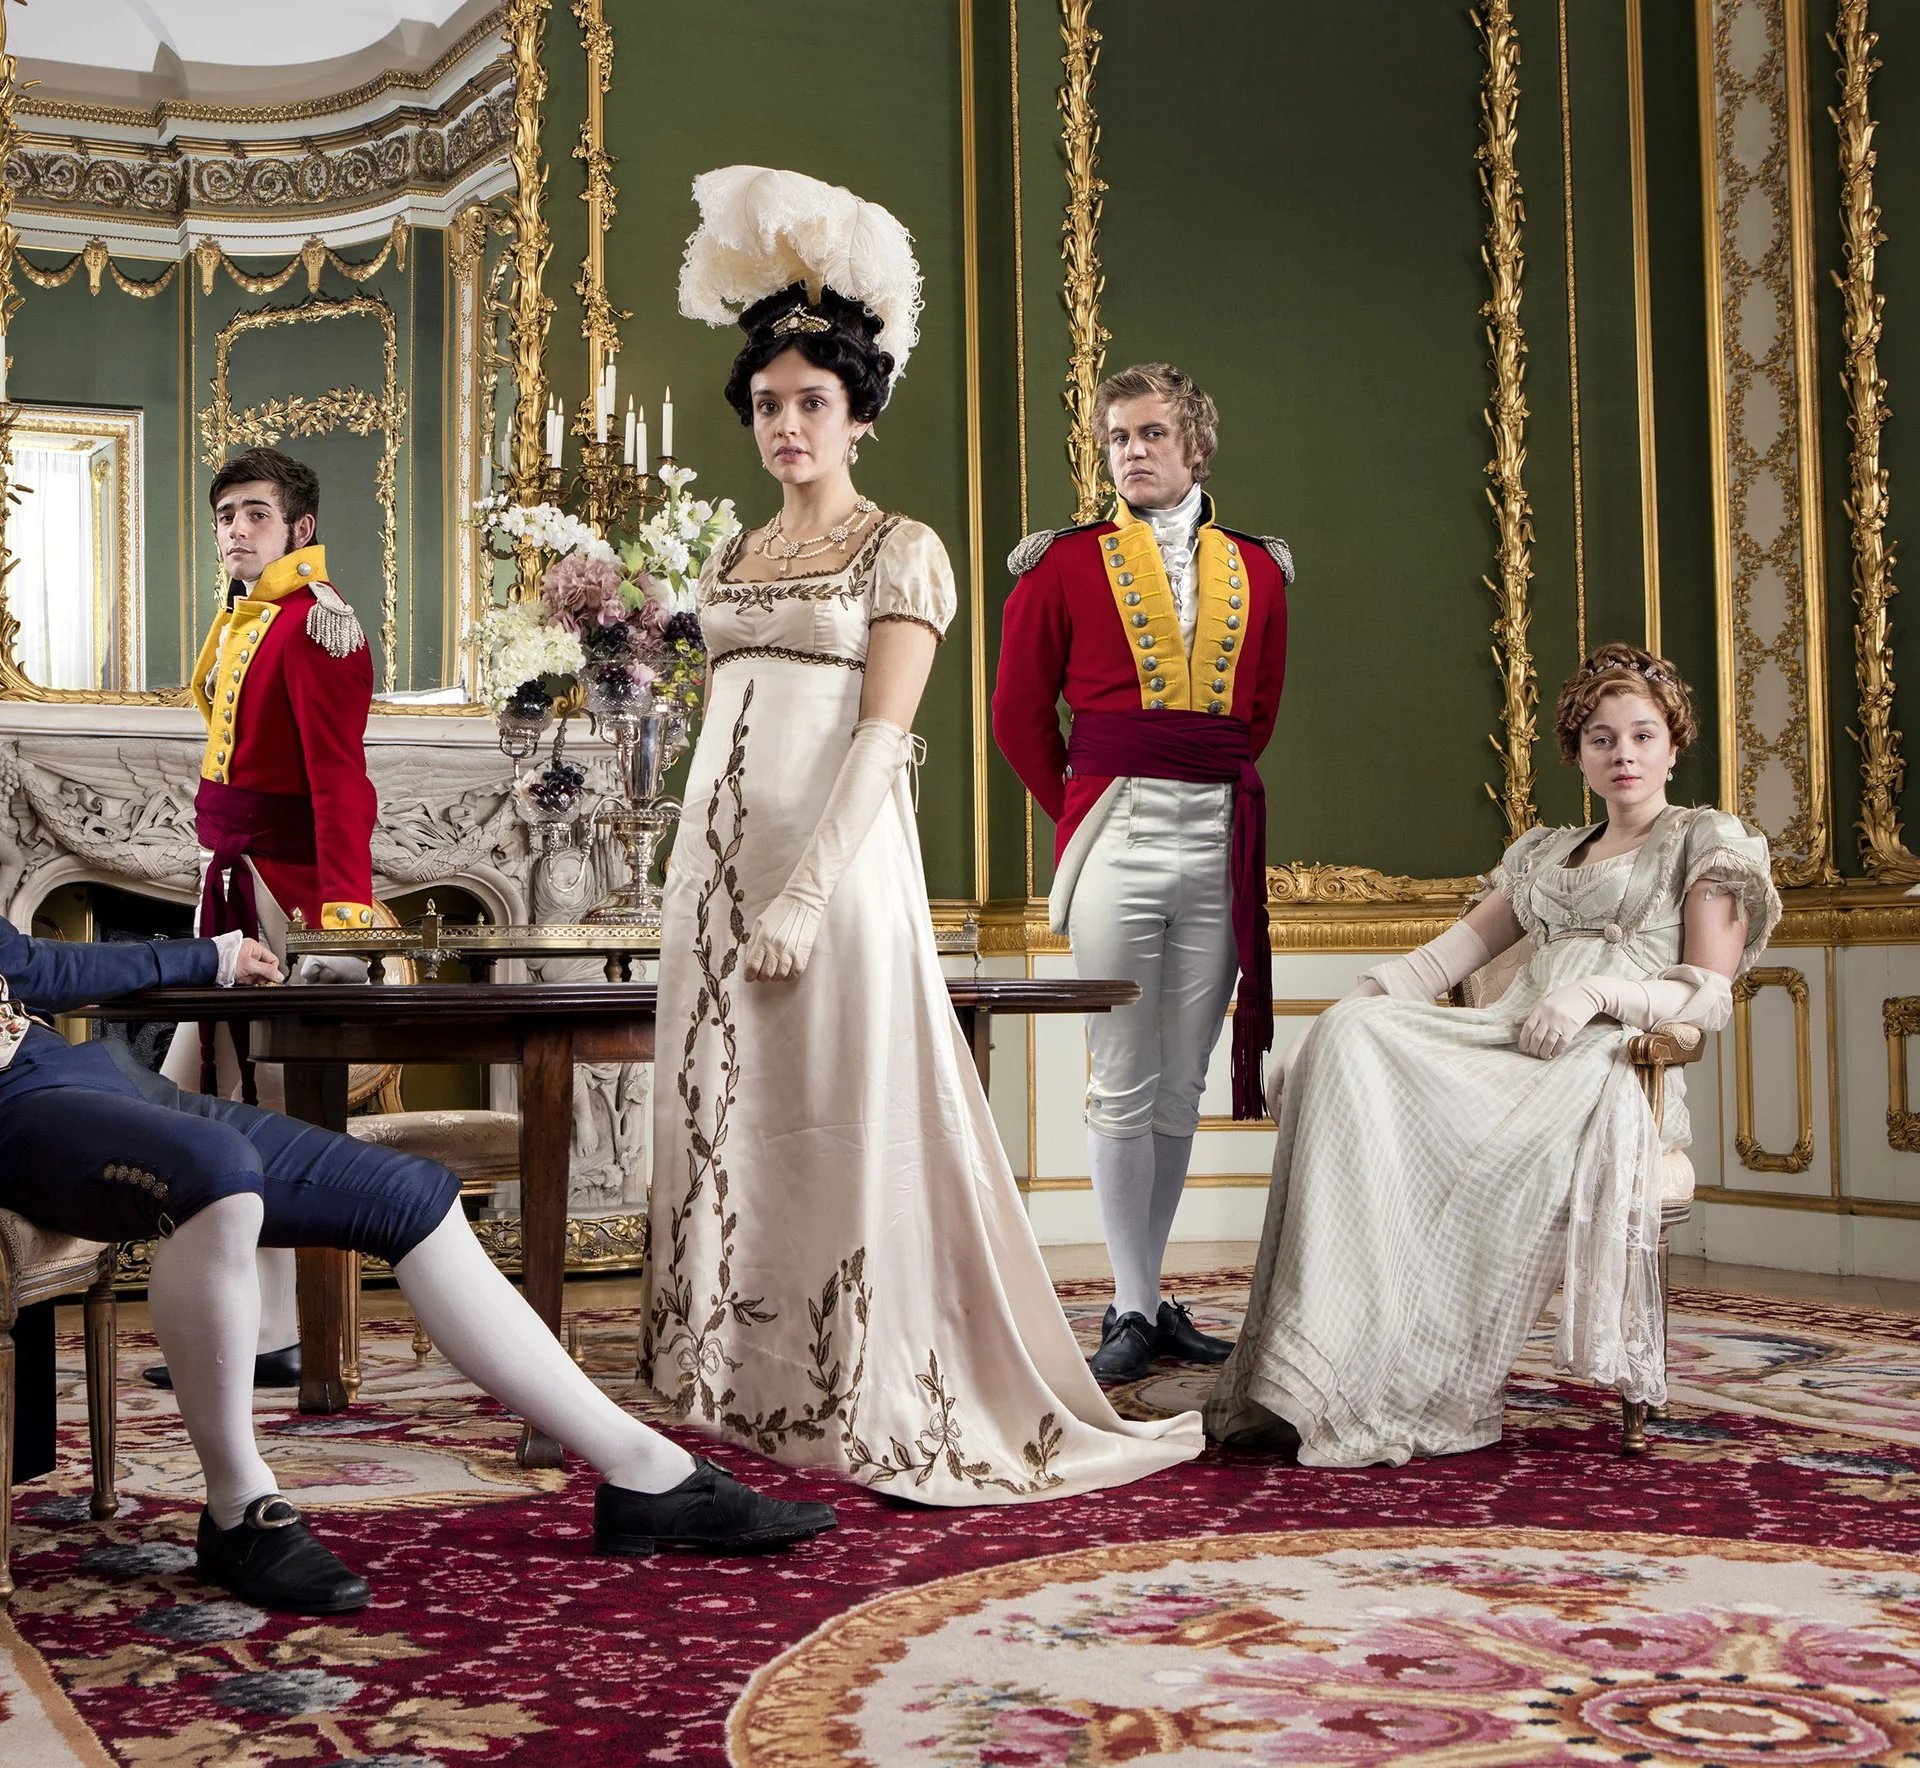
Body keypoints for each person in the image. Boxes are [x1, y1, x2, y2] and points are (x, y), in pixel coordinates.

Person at [0, 592, 835, 1616]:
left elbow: (20, 963)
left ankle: (642, 1477)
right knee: (215, 1183)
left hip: (58, 1082)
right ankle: (241, 1507)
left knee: (413, 1194)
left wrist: (208, 957)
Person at [640, 165, 1205, 1505]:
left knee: (836, 1120)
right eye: (770, 405)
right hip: (710, 877)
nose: (788, 425)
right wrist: (716, 882)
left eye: (812, 405)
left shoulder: (904, 550)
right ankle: (745, 1381)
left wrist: (797, 898)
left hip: (829, 885)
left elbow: (882, 740)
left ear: (857, 417)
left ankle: (862, 1384)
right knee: (738, 1117)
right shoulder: (728, 558)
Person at [1204, 644, 1779, 1467]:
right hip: (1509, 1044)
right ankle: (1329, 1367)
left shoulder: (1706, 840)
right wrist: (1324, 1028)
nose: (1624, 755)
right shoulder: (1545, 854)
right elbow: (1441, 961)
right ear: (1577, 753)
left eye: (1643, 736)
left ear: (1674, 744)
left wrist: (1598, 995)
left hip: (1604, 1066)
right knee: (1355, 1036)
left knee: (1372, 1057)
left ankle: (1408, 1380)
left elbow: (1707, 995)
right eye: (1602, 738)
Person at [991, 362, 1291, 1384]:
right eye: (1118, 435)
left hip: (1216, 830)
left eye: (1152, 432)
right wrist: (1084, 818)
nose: (1133, 451)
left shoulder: (1258, 568)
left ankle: (1148, 1295)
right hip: (1115, 829)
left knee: (1181, 1083)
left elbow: (1257, 710)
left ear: (1195, 443)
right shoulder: (1058, 565)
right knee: (1121, 1081)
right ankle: (1126, 1302)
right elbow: (1016, 717)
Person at [147, 445, 386, 1394]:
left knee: (250, 1109)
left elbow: (341, 786)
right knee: (224, 1108)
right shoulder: (248, 618)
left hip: (284, 896)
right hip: (229, 878)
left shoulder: (318, 628)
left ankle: (275, 1333)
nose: (236, 530)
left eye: (255, 514)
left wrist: (342, 928)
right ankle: (258, 1330)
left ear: (302, 529)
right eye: (225, 516)